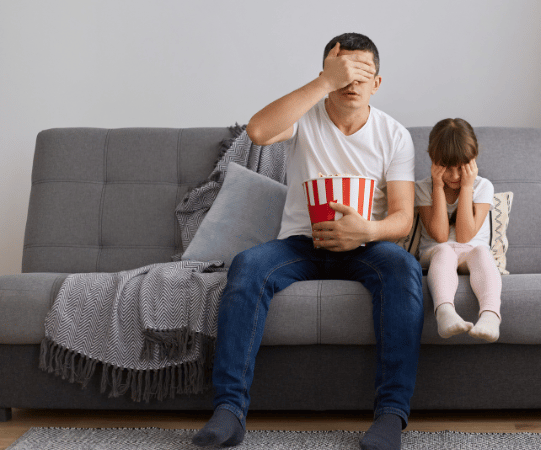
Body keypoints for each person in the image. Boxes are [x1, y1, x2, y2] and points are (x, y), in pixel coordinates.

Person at [192, 33, 424, 450]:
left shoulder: (394, 135)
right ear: (329, 74)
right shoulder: (306, 116)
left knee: (403, 267)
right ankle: (229, 411)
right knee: (247, 265)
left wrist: (367, 230)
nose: (352, 81)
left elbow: (404, 219)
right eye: (343, 72)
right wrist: (322, 82)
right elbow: (260, 131)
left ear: (378, 82)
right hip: (300, 243)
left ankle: (390, 417)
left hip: (365, 246)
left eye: (362, 73)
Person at [415, 118, 502, 342]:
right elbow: (441, 236)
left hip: (471, 252)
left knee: (482, 252)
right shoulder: (423, 188)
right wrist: (437, 186)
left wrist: (467, 186)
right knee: (445, 250)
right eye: (446, 167)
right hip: (436, 253)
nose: (454, 176)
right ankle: (445, 313)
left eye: (461, 168)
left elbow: (464, 237)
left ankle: (491, 316)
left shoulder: (482, 186)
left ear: (473, 160)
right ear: (433, 161)